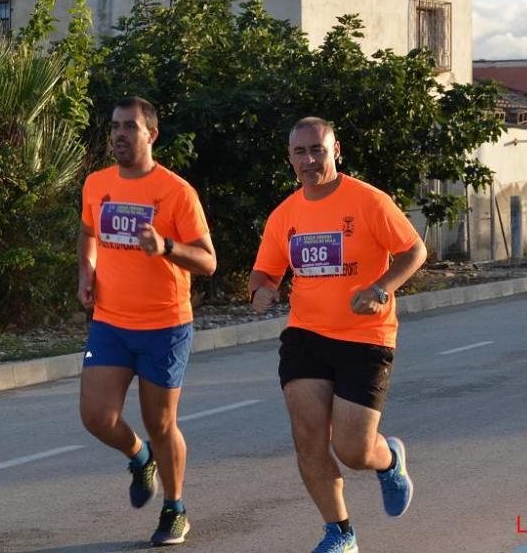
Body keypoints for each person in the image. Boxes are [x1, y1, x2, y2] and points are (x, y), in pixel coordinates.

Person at [249, 117, 427, 553]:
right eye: (300, 152)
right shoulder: (285, 214)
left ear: (335, 150)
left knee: (352, 448)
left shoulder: (367, 201)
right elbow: (265, 270)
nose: (310, 160)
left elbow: (414, 250)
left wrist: (380, 288)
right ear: (290, 158)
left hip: (366, 337)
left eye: (318, 150)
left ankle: (388, 460)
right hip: (306, 335)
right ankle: (340, 533)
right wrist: (261, 290)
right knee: (308, 437)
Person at [78, 96, 216, 547]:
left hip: (164, 325)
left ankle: (175, 507)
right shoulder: (97, 184)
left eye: (129, 127)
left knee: (161, 424)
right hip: (111, 321)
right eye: (115, 126)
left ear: (151, 134)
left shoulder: (177, 192)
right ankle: (139, 458)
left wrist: (168, 248)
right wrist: (87, 270)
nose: (119, 134)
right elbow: (88, 231)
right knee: (97, 417)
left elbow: (208, 262)